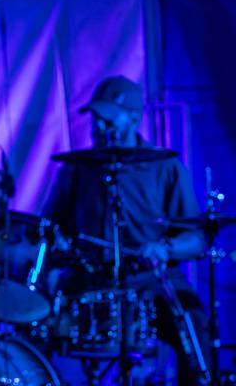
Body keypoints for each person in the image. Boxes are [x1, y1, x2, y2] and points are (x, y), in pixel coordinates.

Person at [43, 75, 209, 384]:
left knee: (194, 325)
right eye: (95, 118)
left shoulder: (165, 167)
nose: (98, 126)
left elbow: (196, 238)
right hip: (90, 279)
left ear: (134, 118)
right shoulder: (77, 168)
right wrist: (59, 246)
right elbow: (50, 226)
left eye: (107, 119)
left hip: (150, 279)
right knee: (38, 321)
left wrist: (165, 249)